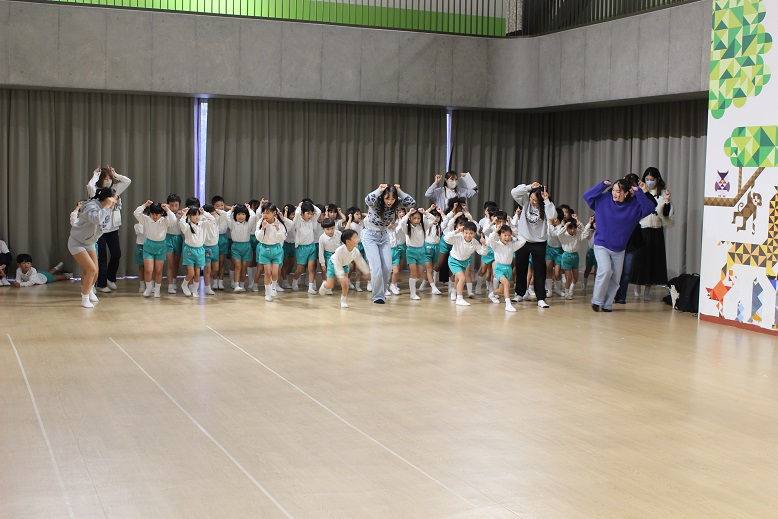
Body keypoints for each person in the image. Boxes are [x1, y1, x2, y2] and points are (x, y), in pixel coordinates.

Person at [582, 179, 656, 312]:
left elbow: (650, 208)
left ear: (626, 193)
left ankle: (607, 304)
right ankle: (597, 301)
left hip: (619, 248)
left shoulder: (634, 206)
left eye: (618, 191)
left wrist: (638, 192)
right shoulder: (604, 199)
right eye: (614, 190)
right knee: (605, 270)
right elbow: (587, 196)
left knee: (616, 278)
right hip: (602, 244)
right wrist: (602, 185)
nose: (615, 194)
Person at [362, 184, 416, 304]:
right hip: (370, 236)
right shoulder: (376, 202)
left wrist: (399, 191)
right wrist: (379, 190)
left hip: (384, 236)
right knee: (376, 267)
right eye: (387, 198)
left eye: (393, 199)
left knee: (387, 267)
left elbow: (412, 203)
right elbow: (367, 200)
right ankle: (378, 296)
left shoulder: (396, 204)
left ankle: (381, 292)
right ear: (383, 197)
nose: (390, 201)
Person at [510, 182, 557, 308]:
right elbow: (514, 192)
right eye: (531, 198)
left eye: (535, 200)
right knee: (521, 268)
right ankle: (519, 293)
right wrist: (529, 187)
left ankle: (540, 298)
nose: (532, 201)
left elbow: (553, 216)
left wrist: (546, 200)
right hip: (523, 240)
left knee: (539, 270)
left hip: (539, 242)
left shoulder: (545, 206)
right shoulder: (525, 201)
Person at [69, 187, 117, 307]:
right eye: (114, 198)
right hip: (77, 242)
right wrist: (107, 207)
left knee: (95, 272)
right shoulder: (91, 206)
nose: (115, 200)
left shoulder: (107, 208)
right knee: (91, 269)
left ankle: (89, 291)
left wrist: (108, 207)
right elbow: (96, 219)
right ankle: (84, 298)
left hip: (89, 242)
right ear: (107, 198)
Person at [632, 167, 674, 300]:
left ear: (657, 179)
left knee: (652, 261)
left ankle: (647, 290)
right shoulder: (640, 192)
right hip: (643, 228)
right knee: (640, 260)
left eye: (652, 179)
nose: (649, 182)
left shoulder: (662, 194)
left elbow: (667, 214)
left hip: (656, 230)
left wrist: (667, 201)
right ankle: (637, 286)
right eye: (647, 179)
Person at [87, 166, 131, 293]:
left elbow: (127, 181)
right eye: (106, 179)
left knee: (116, 254)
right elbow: (89, 186)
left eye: (110, 179)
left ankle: (110, 278)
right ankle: (101, 284)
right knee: (102, 257)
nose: (109, 181)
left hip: (113, 228)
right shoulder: (96, 192)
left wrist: (115, 174)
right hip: (99, 230)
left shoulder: (114, 189)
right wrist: (95, 175)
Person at [134, 201, 179, 298]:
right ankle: (148, 287)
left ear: (161, 213)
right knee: (148, 270)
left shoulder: (165, 221)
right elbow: (136, 213)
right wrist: (145, 205)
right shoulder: (146, 219)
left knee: (158, 270)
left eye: (157, 214)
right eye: (152, 214)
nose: (154, 216)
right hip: (148, 245)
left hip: (161, 246)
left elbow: (174, 219)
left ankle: (157, 290)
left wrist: (167, 209)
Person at [318, 229, 371, 308]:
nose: (357, 239)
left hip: (345, 265)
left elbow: (360, 261)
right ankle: (325, 285)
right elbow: (337, 264)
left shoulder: (356, 251)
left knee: (345, 283)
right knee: (330, 285)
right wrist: (340, 276)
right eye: (355, 238)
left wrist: (367, 272)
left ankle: (343, 301)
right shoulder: (339, 250)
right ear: (348, 241)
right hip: (333, 264)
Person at [443, 221, 488, 307]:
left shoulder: (475, 243)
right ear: (463, 232)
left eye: (471, 233)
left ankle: (454, 292)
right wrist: (456, 231)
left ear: (474, 234)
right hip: (454, 261)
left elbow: (483, 252)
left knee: (457, 280)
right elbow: (446, 239)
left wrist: (484, 244)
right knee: (462, 278)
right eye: (466, 233)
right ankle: (459, 298)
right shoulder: (458, 237)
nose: (468, 235)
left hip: (464, 262)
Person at [486, 225, 526, 312]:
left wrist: (515, 235)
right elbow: (490, 240)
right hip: (499, 268)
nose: (507, 237)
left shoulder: (512, 245)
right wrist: (496, 231)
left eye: (509, 235)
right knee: (507, 284)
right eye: (505, 235)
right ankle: (508, 305)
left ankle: (491, 294)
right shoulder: (496, 245)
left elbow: (523, 241)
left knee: (501, 289)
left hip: (508, 269)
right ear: (499, 236)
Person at [218, 203, 257, 293]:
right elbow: (227, 216)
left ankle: (242, 285)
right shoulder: (233, 224)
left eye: (243, 214)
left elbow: (254, 216)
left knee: (244, 267)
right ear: (235, 215)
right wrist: (232, 209)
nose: (241, 216)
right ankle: (236, 285)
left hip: (246, 246)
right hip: (236, 246)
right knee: (238, 266)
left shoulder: (248, 224)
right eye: (238, 214)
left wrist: (249, 209)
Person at [256, 202, 288, 301]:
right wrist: (262, 228)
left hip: (276, 249)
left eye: (267, 213)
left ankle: (274, 287)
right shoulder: (261, 222)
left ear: (274, 213)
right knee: (267, 273)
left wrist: (277, 229)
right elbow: (258, 238)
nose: (265, 215)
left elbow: (283, 237)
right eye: (263, 213)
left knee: (275, 273)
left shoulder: (279, 223)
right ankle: (267, 293)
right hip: (264, 249)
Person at [400, 207, 430, 301]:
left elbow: (433, 219)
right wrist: (409, 213)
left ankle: (412, 283)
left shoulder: (423, 226)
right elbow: (402, 222)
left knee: (419, 274)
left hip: (421, 251)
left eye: (418, 218)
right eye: (414, 218)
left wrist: (425, 212)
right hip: (411, 251)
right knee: (413, 273)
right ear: (410, 219)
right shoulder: (407, 228)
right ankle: (412, 293)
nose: (417, 220)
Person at [292, 201, 322, 294]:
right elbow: (297, 213)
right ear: (302, 213)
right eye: (307, 213)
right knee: (300, 269)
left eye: (311, 213)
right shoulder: (298, 221)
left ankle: (311, 287)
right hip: (301, 248)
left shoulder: (312, 220)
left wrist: (309, 204)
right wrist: (300, 206)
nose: (310, 215)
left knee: (311, 268)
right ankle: (294, 282)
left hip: (311, 246)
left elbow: (318, 211)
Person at [555, 216, 585, 299]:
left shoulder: (577, 235)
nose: (573, 230)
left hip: (575, 256)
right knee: (569, 277)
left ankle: (571, 288)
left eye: (574, 228)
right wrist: (566, 226)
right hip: (566, 256)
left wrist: (578, 223)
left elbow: (585, 233)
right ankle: (567, 292)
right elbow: (558, 234)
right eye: (570, 228)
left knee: (576, 277)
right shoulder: (564, 236)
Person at [179, 207, 206, 297]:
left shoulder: (203, 224)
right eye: (194, 215)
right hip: (189, 251)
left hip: (200, 251)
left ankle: (195, 291)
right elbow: (181, 223)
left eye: (198, 215)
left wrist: (204, 213)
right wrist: (184, 214)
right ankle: (184, 284)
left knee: (197, 274)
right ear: (189, 216)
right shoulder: (187, 226)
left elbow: (212, 220)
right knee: (191, 273)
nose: (197, 217)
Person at [199, 204, 220, 295]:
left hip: (215, 246)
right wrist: (204, 213)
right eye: (212, 213)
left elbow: (224, 215)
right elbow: (210, 218)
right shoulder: (203, 221)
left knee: (216, 269)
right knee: (207, 269)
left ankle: (207, 280)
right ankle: (207, 287)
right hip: (206, 247)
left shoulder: (215, 220)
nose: (214, 215)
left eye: (214, 213)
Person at [164, 193, 183, 294]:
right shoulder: (165, 215)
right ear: (168, 205)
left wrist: (182, 217)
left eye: (176, 205)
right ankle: (170, 284)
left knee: (176, 262)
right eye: (171, 205)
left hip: (178, 238)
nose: (174, 208)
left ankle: (174, 280)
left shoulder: (181, 215)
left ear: (179, 205)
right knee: (170, 263)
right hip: (168, 238)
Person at [318, 218, 341, 296]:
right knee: (329, 271)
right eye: (328, 229)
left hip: (338, 254)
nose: (330, 231)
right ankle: (328, 287)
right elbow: (321, 251)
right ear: (323, 229)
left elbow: (343, 244)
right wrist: (322, 263)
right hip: (328, 255)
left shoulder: (339, 234)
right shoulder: (322, 238)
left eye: (332, 228)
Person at [388, 207, 407, 295]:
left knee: (397, 270)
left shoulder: (396, 227)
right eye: (399, 212)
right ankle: (385, 287)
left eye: (403, 212)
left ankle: (393, 285)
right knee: (387, 271)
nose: (401, 213)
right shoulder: (385, 231)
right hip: (388, 250)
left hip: (396, 248)